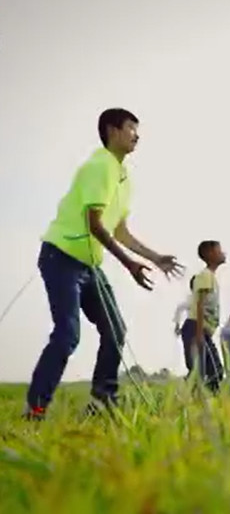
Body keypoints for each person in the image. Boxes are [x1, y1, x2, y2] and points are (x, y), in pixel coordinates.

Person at [25, 108, 184, 420]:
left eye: (138, 130)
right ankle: (36, 408)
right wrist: (130, 265)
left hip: (89, 266)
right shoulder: (100, 166)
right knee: (68, 334)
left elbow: (119, 230)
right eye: (130, 128)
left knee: (115, 329)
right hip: (61, 259)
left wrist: (154, 258)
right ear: (112, 131)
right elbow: (95, 224)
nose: (136, 135)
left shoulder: (124, 177)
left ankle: (102, 403)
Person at [181, 240, 226, 393]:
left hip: (202, 331)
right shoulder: (205, 276)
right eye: (219, 250)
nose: (223, 253)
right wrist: (199, 334)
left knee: (215, 372)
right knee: (199, 373)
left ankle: (207, 405)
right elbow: (199, 304)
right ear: (209, 254)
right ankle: (188, 402)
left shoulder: (211, 277)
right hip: (195, 328)